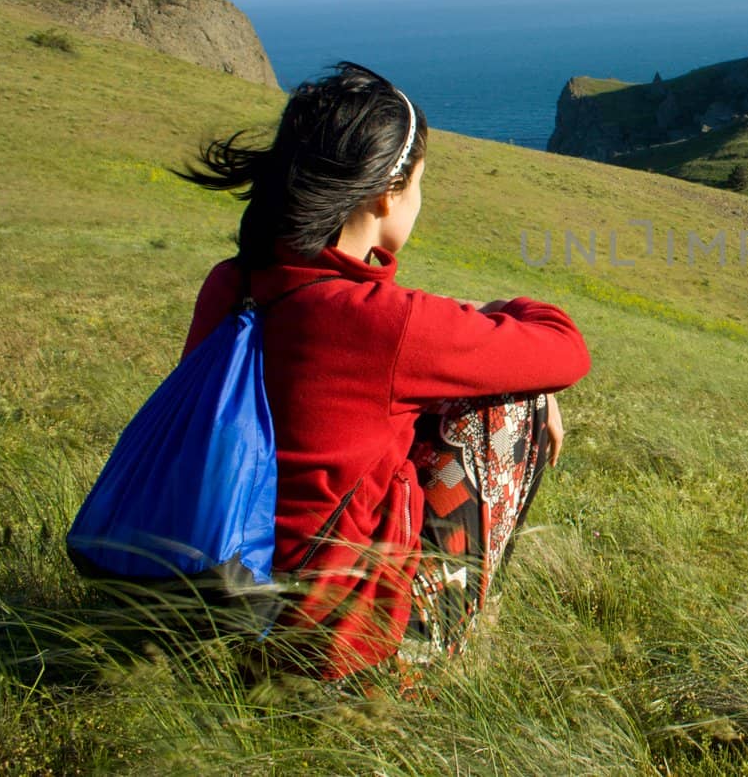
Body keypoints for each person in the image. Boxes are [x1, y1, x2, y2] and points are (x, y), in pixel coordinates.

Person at [174, 62, 591, 681]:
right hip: (339, 650)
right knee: (511, 400)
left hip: (205, 612)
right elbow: (564, 350)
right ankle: (453, 631)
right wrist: (501, 314)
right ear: (385, 193)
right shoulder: (382, 324)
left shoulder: (230, 284)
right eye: (420, 184)